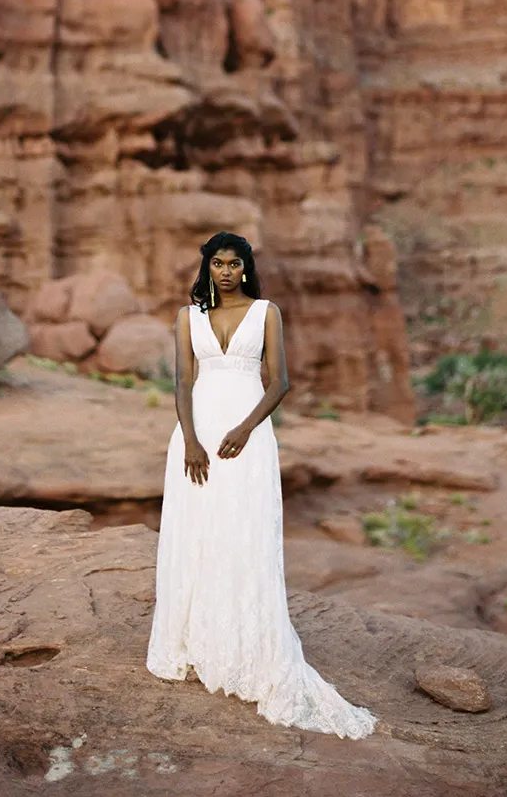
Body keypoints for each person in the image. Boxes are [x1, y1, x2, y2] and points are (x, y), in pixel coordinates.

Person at [146, 231, 376, 738]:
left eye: (234, 264)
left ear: (245, 269)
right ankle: (192, 642)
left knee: (243, 535)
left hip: (247, 439)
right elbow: (183, 382)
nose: (225, 272)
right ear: (206, 268)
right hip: (197, 437)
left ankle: (248, 649)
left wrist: (246, 428)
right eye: (217, 264)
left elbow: (280, 382)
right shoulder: (189, 318)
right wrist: (190, 440)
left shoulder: (266, 311)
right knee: (197, 534)